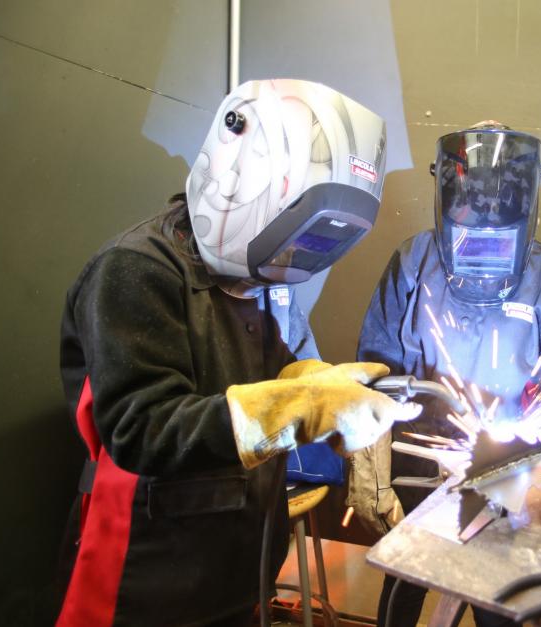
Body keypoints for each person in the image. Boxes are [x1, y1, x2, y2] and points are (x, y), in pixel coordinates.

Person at [54, 79, 419, 627]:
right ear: (237, 185)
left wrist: (310, 377)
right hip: (144, 573)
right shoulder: (133, 270)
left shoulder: (258, 276)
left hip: (236, 567)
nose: (294, 263)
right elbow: (142, 428)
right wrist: (295, 407)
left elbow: (273, 371)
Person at [349, 122, 541, 627]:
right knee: (404, 577)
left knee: (493, 595)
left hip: (507, 474)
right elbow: (375, 365)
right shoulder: (413, 263)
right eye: (469, 200)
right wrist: (370, 458)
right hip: (422, 461)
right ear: (450, 189)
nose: (481, 216)